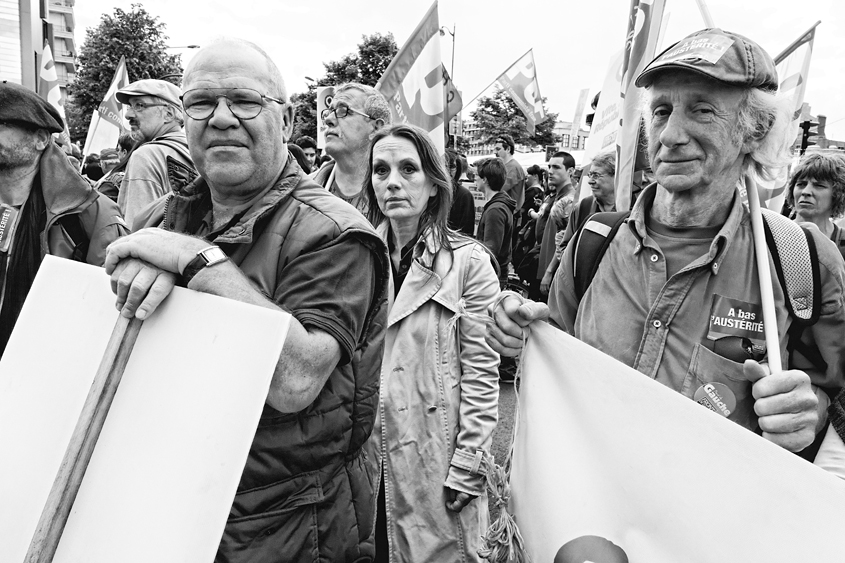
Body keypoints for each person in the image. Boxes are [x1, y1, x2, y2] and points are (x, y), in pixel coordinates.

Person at [486, 28, 845, 455]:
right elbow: (549, 368)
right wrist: (520, 333)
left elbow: (827, 393)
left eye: (702, 110)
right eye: (660, 111)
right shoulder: (596, 241)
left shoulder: (801, 259)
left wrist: (809, 413)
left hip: (713, 515)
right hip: (586, 514)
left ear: (756, 129)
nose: (671, 134)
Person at [103, 38, 389, 561]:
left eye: (245, 100)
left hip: (284, 528)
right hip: (168, 504)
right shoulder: (163, 218)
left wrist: (199, 263)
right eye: (201, 103)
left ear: (287, 119)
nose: (222, 118)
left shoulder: (336, 233)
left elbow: (295, 381)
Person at [363, 123, 500, 563]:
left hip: (435, 457)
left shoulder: (470, 263)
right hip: (368, 457)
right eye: (380, 171)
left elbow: (482, 373)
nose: (393, 182)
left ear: (434, 185)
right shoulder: (359, 258)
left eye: (408, 169)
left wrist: (470, 461)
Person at [0, 81, 128, 357]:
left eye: (3, 124)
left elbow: (104, 309)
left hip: (45, 362)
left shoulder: (91, 213)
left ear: (41, 139)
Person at [116, 78, 196, 226]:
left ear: (169, 114)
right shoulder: (200, 153)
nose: (128, 115)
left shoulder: (147, 156)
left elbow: (138, 235)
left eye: (139, 105)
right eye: (130, 106)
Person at [312, 83, 391, 216]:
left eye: (343, 111)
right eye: (329, 111)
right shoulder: (302, 192)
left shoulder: (397, 195)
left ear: (376, 128)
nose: (328, 119)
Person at [543, 151, 618, 283]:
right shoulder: (583, 207)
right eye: (590, 175)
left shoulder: (630, 207)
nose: (590, 181)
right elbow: (565, 246)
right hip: (584, 283)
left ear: (615, 176)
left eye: (596, 175)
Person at [786, 152, 845, 262]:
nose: (806, 192)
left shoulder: (843, 242)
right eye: (801, 184)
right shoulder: (771, 234)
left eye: (819, 186)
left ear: (838, 194)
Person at [537, 151, 576, 296]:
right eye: (549, 167)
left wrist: (549, 271)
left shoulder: (569, 200)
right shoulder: (557, 196)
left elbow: (565, 240)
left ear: (570, 171)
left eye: (556, 167)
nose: (550, 171)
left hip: (555, 273)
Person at [475, 157, 515, 287]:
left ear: (485, 179)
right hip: (495, 275)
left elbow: (491, 250)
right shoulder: (498, 206)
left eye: (476, 175)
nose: (474, 179)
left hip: (492, 277)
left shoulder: (496, 210)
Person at [446, 149, 476, 235]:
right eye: (444, 166)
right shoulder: (430, 192)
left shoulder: (464, 195)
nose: (447, 170)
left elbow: (467, 231)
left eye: (451, 166)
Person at [494, 134, 526, 210]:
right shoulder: (509, 166)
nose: (494, 152)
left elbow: (498, 189)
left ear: (508, 149)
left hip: (509, 213)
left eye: (498, 149)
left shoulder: (513, 167)